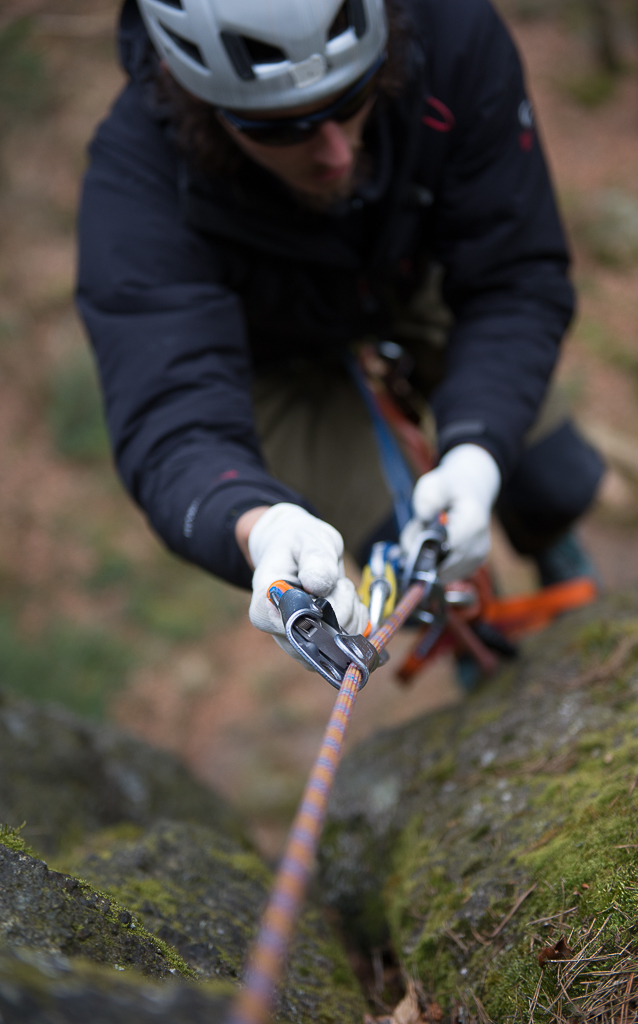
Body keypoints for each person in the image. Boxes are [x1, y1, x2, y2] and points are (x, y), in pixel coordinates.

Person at [77, 0, 604, 666]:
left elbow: (515, 275)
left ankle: (564, 557)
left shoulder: (452, 38)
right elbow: (173, 422)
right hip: (270, 353)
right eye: (281, 127)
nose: (333, 150)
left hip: (414, 273)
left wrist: (476, 453)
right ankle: (473, 648)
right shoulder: (137, 185)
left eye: (352, 97)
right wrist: (258, 526)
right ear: (200, 101)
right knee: (402, 555)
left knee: (547, 471)